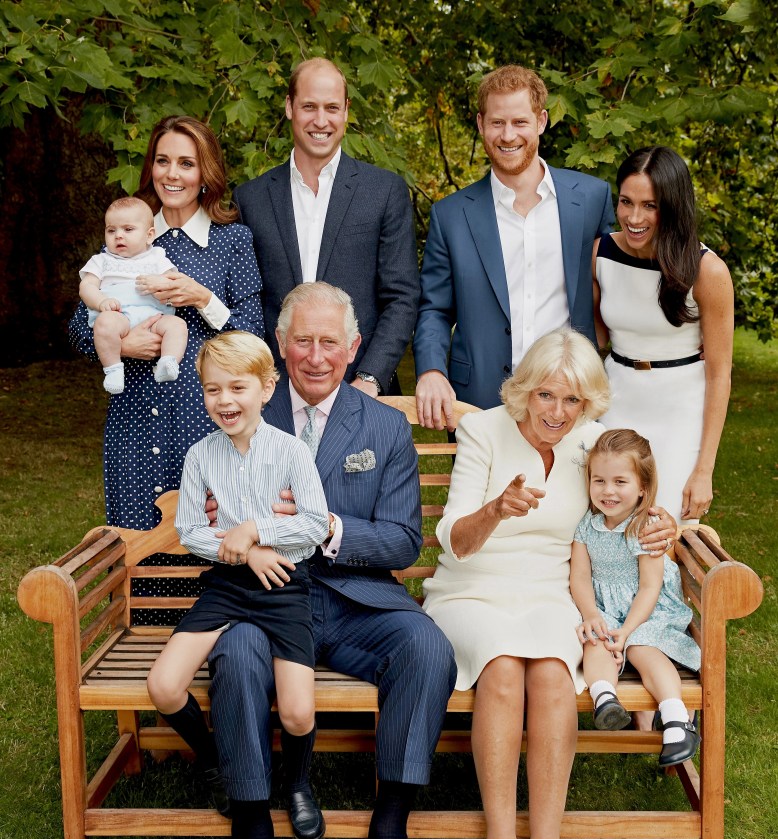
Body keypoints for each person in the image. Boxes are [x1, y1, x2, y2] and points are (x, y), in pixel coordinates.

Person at [205, 282, 456, 839]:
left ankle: (391, 837)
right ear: (281, 347)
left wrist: (328, 527)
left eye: (329, 342)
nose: (315, 356)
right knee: (233, 653)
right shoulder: (246, 409)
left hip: (353, 601)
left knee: (426, 647)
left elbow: (403, 541)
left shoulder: (384, 426)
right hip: (264, 599)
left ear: (353, 347)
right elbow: (211, 505)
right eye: (302, 341)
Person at [422, 330, 676, 839]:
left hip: (552, 592)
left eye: (572, 400)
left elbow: (635, 493)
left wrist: (663, 522)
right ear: (524, 391)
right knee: (504, 668)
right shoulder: (483, 430)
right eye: (545, 395)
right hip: (472, 586)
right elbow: (452, 539)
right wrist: (496, 509)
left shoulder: (590, 444)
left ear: (588, 403)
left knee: (555, 676)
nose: (556, 412)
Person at [146, 331, 330, 838]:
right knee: (163, 685)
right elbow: (189, 530)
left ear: (267, 388)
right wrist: (245, 550)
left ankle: (297, 783)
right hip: (227, 584)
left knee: (296, 712)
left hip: (283, 585)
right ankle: (216, 763)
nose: (225, 401)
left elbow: (314, 525)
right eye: (212, 390)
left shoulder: (292, 452)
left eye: (237, 388)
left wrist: (257, 530)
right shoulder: (200, 457)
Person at [69, 116, 263, 529]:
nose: (172, 174)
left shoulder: (232, 240)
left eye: (186, 163)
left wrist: (204, 299)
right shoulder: (127, 234)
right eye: (162, 161)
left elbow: (253, 334)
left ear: (205, 173)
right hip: (134, 418)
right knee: (137, 545)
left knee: (210, 543)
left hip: (204, 418)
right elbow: (76, 327)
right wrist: (121, 346)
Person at [414, 64, 613, 429]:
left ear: (541, 121)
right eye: (497, 123)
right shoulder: (451, 215)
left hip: (571, 400)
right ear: (480, 124)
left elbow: (615, 286)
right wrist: (429, 369)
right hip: (479, 400)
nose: (508, 135)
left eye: (520, 122)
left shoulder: (591, 199)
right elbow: (435, 310)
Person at [233, 57, 419, 396]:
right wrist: (264, 377)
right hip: (275, 394)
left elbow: (402, 297)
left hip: (361, 389)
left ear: (346, 111)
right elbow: (248, 301)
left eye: (332, 107)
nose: (321, 120)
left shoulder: (384, 191)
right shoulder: (250, 199)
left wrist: (370, 378)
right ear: (289, 107)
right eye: (309, 106)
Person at [594, 146, 734, 522]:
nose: (634, 217)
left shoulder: (708, 271)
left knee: (663, 530)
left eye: (650, 206)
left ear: (672, 207)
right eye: (626, 202)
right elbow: (594, 339)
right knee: (608, 525)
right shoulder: (601, 254)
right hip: (616, 403)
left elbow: (720, 374)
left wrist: (704, 470)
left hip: (679, 412)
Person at [570, 429, 699, 768]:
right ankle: (606, 700)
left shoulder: (646, 525)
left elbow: (649, 588)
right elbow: (580, 577)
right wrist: (590, 614)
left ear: (642, 486)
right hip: (605, 609)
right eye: (599, 480)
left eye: (619, 482)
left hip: (647, 612)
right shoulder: (586, 525)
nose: (607, 491)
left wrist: (626, 632)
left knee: (642, 648)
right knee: (595, 642)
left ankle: (675, 719)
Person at [79, 196, 185, 394]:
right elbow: (86, 287)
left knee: (177, 325)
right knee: (105, 324)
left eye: (128, 230)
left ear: (149, 235)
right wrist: (101, 301)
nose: (118, 235)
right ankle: (113, 369)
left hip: (154, 317)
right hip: (118, 315)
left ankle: (168, 361)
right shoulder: (101, 260)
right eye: (111, 230)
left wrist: (162, 282)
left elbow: (176, 282)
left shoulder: (158, 258)